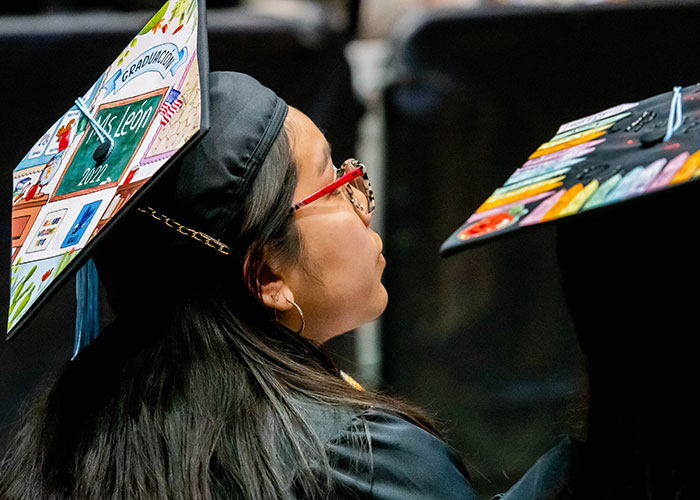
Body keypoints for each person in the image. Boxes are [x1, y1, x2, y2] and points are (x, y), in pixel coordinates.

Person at [0, 72, 479, 500]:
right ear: (268, 276)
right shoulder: (362, 467)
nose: (363, 202)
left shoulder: (60, 440)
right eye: (333, 181)